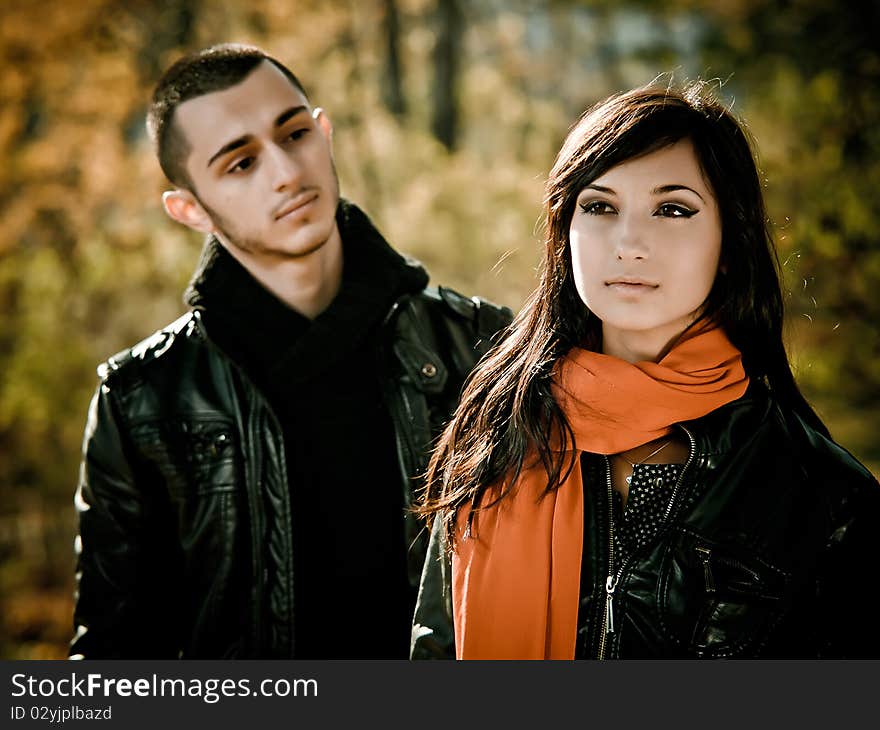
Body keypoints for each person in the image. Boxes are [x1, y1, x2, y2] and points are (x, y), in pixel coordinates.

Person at [69, 43, 511, 659]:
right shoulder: (143, 401)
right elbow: (113, 660)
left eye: (294, 134)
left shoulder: (480, 346)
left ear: (323, 133)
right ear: (190, 209)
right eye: (241, 163)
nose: (285, 171)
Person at [411, 81, 880, 659]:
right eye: (600, 206)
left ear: (730, 241)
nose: (629, 242)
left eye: (672, 209)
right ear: (566, 233)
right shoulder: (500, 431)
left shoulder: (820, 494)